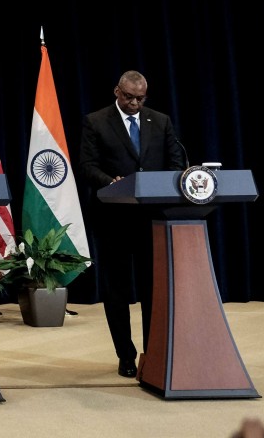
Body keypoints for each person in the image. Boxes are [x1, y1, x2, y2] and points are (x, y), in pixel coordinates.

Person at [79, 70, 186, 379]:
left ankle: (153, 353)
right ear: (117, 91)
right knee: (117, 290)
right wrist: (110, 182)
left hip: (152, 219)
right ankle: (125, 355)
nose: (135, 103)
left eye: (140, 98)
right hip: (113, 219)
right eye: (129, 97)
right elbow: (87, 165)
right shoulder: (96, 121)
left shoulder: (160, 121)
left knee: (153, 288)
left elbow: (175, 162)